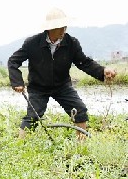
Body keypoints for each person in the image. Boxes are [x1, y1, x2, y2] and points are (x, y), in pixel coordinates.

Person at [8, 8, 117, 139]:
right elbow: (13, 61)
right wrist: (17, 82)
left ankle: (80, 146)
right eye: (60, 27)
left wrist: (103, 71)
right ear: (50, 28)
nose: (63, 30)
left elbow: (84, 62)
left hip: (62, 86)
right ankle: (21, 146)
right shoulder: (32, 43)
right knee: (32, 118)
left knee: (80, 110)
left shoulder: (71, 43)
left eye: (65, 26)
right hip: (38, 87)